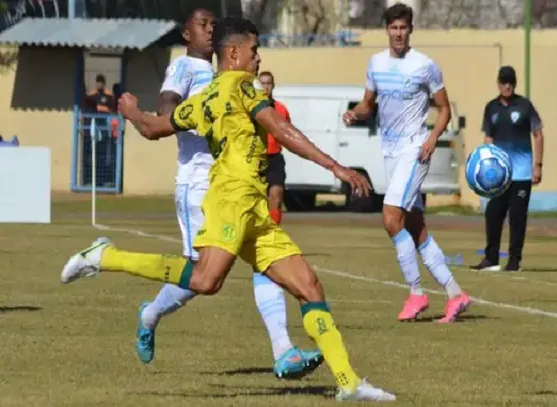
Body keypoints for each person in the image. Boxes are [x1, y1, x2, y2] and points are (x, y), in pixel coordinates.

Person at [60, 16, 395, 401]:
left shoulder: (205, 99)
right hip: (230, 201)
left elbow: (154, 129)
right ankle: (105, 256)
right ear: (233, 53)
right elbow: (280, 130)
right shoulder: (242, 87)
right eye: (254, 50)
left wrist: (133, 112)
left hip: (253, 208)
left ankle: (348, 383)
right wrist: (336, 167)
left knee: (309, 286)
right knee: (205, 281)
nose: (259, 58)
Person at [130, 8, 322, 379]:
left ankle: (283, 350)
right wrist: (205, 113)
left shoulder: (235, 75)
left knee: (264, 260)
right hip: (199, 183)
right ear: (186, 34)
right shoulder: (184, 69)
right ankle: (150, 312)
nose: (209, 29)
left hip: (236, 182)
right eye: (201, 25)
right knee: (200, 280)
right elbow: (167, 109)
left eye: (212, 25)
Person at [343, 3, 470, 323]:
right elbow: (368, 103)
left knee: (390, 216)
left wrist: (430, 140)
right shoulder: (375, 63)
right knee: (415, 227)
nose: (398, 34)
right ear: (387, 30)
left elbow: (444, 109)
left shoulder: (425, 66)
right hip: (389, 152)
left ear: (410, 30)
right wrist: (355, 113)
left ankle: (416, 293)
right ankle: (456, 294)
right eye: (393, 28)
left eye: (403, 28)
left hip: (415, 150)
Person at [471, 66, 544, 272]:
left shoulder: (525, 106)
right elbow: (488, 138)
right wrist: (486, 167)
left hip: (521, 173)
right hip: (498, 175)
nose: (507, 86)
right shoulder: (491, 108)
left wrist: (537, 166)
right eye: (504, 82)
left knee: (517, 217)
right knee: (493, 214)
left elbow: (538, 134)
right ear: (498, 83)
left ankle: (514, 261)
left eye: (511, 82)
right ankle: (491, 258)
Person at [258, 71, 288, 224]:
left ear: (273, 86)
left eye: (268, 83)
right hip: (256, 158)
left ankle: (274, 233)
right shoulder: (250, 109)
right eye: (262, 83)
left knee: (276, 195)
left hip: (275, 157)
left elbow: (288, 133)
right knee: (257, 201)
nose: (265, 87)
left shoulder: (281, 109)